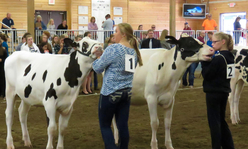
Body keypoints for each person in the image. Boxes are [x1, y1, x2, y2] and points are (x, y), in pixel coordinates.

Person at [93, 23, 143, 149]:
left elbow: (98, 68)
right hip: (126, 93)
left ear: (123, 34)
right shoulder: (133, 51)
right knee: (123, 126)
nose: (114, 33)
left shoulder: (114, 49)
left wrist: (96, 58)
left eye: (116, 31)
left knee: (105, 125)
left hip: (110, 92)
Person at [201, 32, 235, 149]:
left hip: (214, 92)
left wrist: (204, 61)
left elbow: (206, 74)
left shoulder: (219, 58)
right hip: (224, 91)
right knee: (221, 121)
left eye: (215, 42)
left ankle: (216, 146)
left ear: (223, 42)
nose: (212, 44)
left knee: (214, 123)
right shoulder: (230, 56)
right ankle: (229, 146)